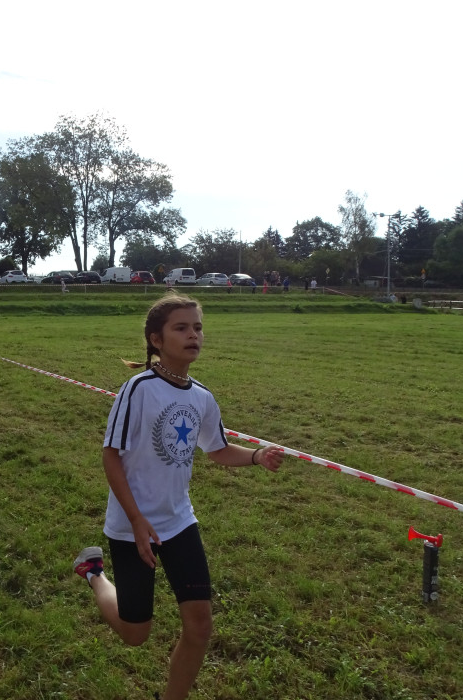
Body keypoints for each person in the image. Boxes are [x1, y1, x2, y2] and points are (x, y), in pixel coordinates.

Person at [73, 293, 284, 700]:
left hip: (179, 522)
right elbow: (110, 456)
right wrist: (136, 521)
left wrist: (257, 456)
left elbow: (217, 449)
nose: (193, 335)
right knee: (136, 634)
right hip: (131, 525)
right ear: (156, 339)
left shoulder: (201, 396)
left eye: (198, 328)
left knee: (200, 625)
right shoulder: (138, 390)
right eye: (181, 328)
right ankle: (94, 573)